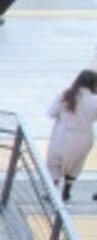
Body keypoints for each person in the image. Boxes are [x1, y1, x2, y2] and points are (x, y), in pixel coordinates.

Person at [46, 70, 97, 201]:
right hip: (84, 137)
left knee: (55, 164)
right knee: (76, 165)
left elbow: (51, 112)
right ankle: (67, 191)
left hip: (62, 135)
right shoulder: (94, 100)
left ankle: (51, 191)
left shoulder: (66, 96)